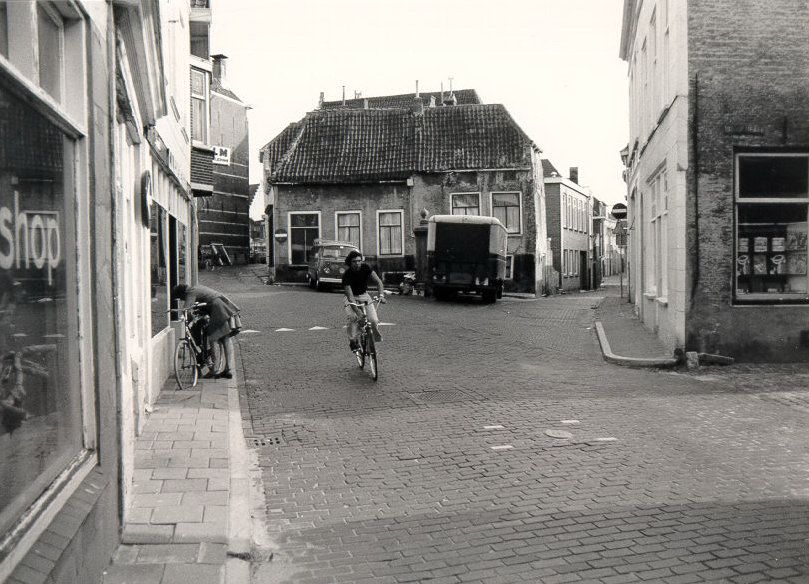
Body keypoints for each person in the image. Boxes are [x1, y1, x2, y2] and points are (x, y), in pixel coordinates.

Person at [171, 284, 241, 379]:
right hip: (222, 305)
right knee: (225, 339)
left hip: (217, 308)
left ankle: (215, 369)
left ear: (182, 294)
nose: (183, 299)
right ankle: (228, 369)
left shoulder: (190, 292)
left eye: (181, 298)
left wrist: (183, 315)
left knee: (213, 338)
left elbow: (187, 309)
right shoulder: (195, 288)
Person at [342, 250, 386, 352]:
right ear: (350, 262)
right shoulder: (347, 275)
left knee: (373, 320)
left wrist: (381, 295)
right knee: (353, 317)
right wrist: (358, 312)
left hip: (364, 295)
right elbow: (350, 296)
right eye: (354, 261)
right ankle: (353, 340)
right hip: (351, 297)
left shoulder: (366, 268)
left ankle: (371, 342)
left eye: (359, 261)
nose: (357, 263)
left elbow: (379, 282)